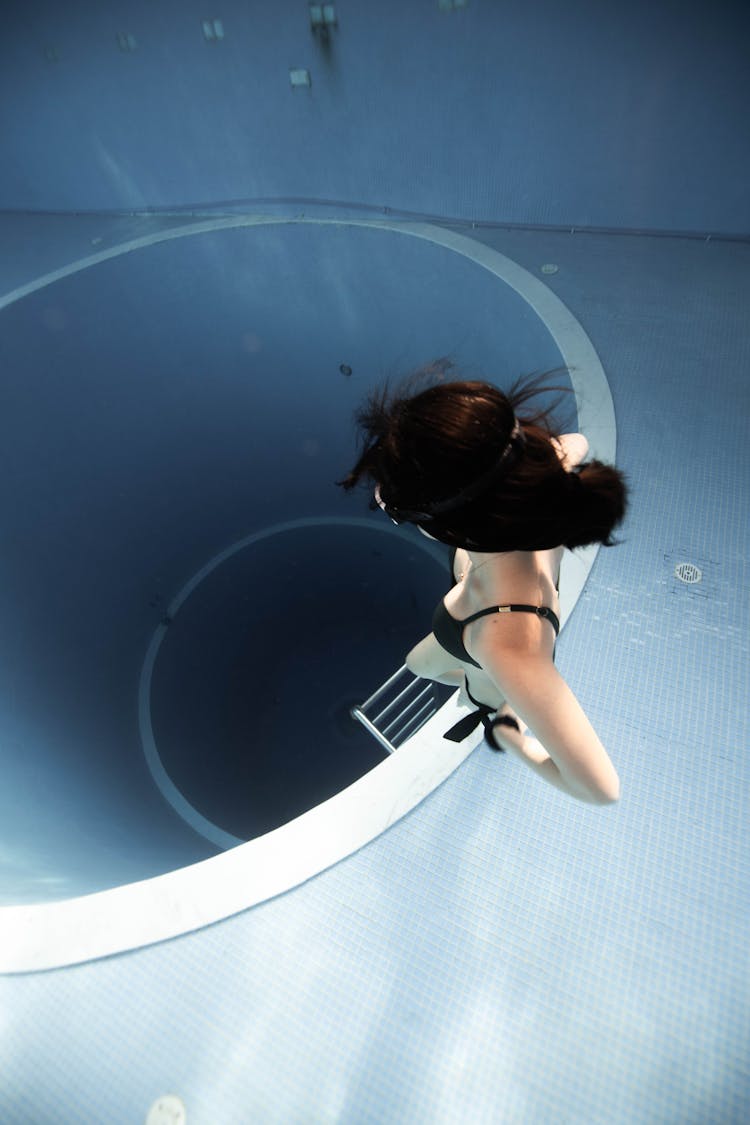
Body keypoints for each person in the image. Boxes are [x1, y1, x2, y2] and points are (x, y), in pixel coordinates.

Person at [339, 370, 628, 805]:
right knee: (417, 665)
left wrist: (512, 739)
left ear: (460, 529)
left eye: (396, 509)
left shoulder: (504, 647)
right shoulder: (535, 481)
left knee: (471, 688)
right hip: (480, 605)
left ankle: (494, 708)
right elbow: (575, 444)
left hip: (490, 653)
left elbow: (600, 789)